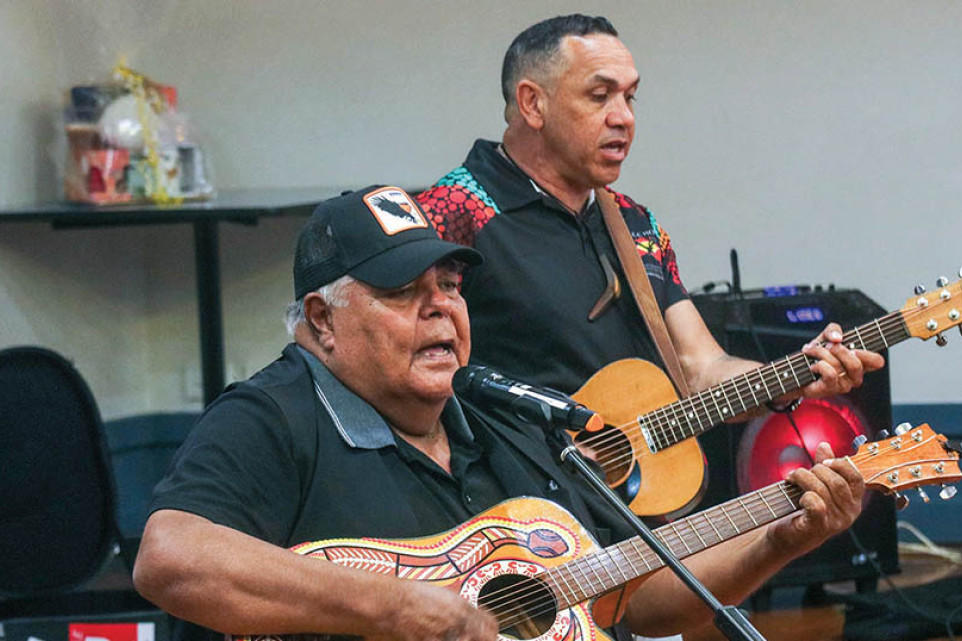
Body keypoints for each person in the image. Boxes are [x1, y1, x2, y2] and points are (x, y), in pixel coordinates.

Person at [133, 185, 866, 641]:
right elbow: (171, 558)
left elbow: (633, 599)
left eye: (451, 285)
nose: (442, 307)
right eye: (402, 291)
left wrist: (781, 538)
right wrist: (390, 608)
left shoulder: (505, 418)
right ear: (323, 320)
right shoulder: (274, 415)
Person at [416, 14, 884, 404]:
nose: (624, 116)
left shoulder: (637, 226)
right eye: (600, 96)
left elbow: (700, 368)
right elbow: (392, 379)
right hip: (511, 507)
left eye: (629, 96)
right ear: (532, 104)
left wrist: (794, 377)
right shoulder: (452, 212)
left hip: (635, 506)